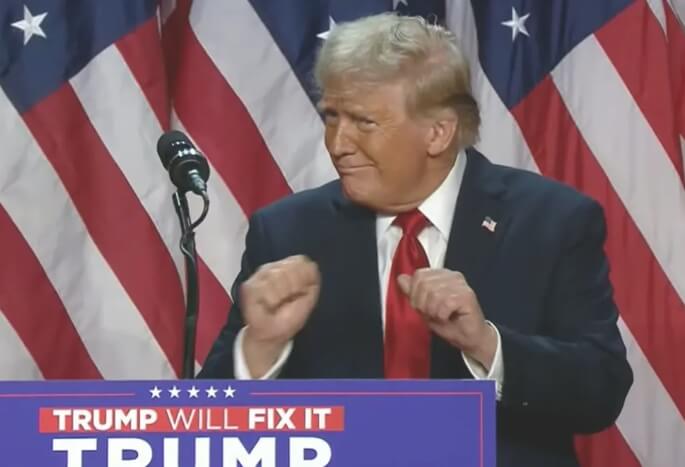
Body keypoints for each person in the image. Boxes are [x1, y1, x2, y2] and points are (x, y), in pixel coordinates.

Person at [198, 12, 632, 467]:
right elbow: (205, 423)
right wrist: (261, 347)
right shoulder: (288, 231)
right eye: (332, 117)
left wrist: (486, 345)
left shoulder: (550, 221)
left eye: (364, 122)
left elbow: (601, 390)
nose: (338, 143)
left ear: (438, 133)